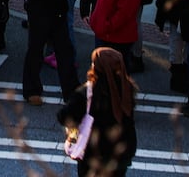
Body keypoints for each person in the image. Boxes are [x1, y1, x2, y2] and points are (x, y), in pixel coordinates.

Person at [57, 47, 138, 177]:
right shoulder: (127, 87)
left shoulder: (87, 93)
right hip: (122, 151)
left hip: (94, 153)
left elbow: (64, 116)